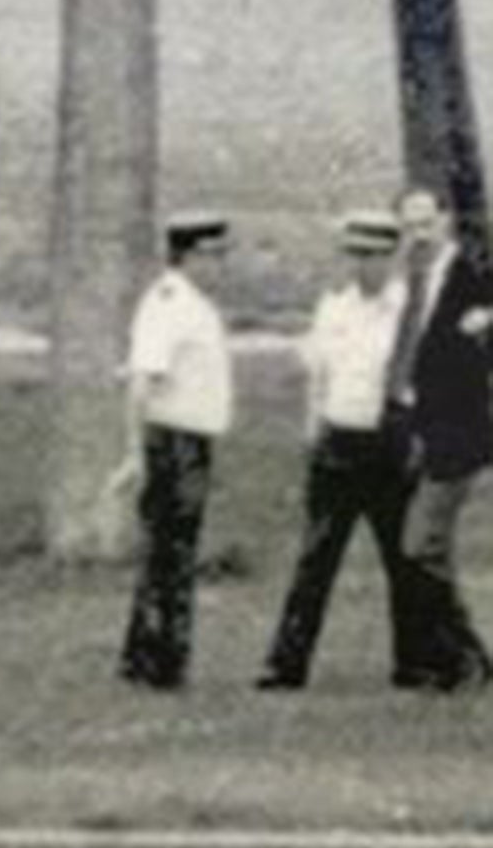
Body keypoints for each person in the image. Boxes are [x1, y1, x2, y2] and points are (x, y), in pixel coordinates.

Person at [257, 212, 415, 692]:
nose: (362, 266)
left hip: (390, 443)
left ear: (392, 257)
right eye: (356, 256)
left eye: (372, 256)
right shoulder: (334, 308)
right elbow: (318, 378)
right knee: (316, 558)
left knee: (403, 560)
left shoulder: (410, 311)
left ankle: (415, 661)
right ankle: (286, 665)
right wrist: (313, 436)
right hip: (338, 441)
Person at [113, 212, 234, 692]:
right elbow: (142, 383)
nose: (222, 265)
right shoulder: (169, 303)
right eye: (214, 255)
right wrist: (135, 453)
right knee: (171, 553)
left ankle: (148, 657)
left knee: (171, 551)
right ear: (189, 255)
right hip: (172, 438)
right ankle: (163, 663)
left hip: (191, 438)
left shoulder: (194, 304)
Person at [384, 185, 493, 692]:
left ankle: (467, 653)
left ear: (445, 221)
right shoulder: (406, 282)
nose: (418, 236)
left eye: (426, 224)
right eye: (409, 227)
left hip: (456, 436)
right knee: (432, 549)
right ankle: (458, 662)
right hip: (414, 427)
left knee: (420, 543)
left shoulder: (473, 280)